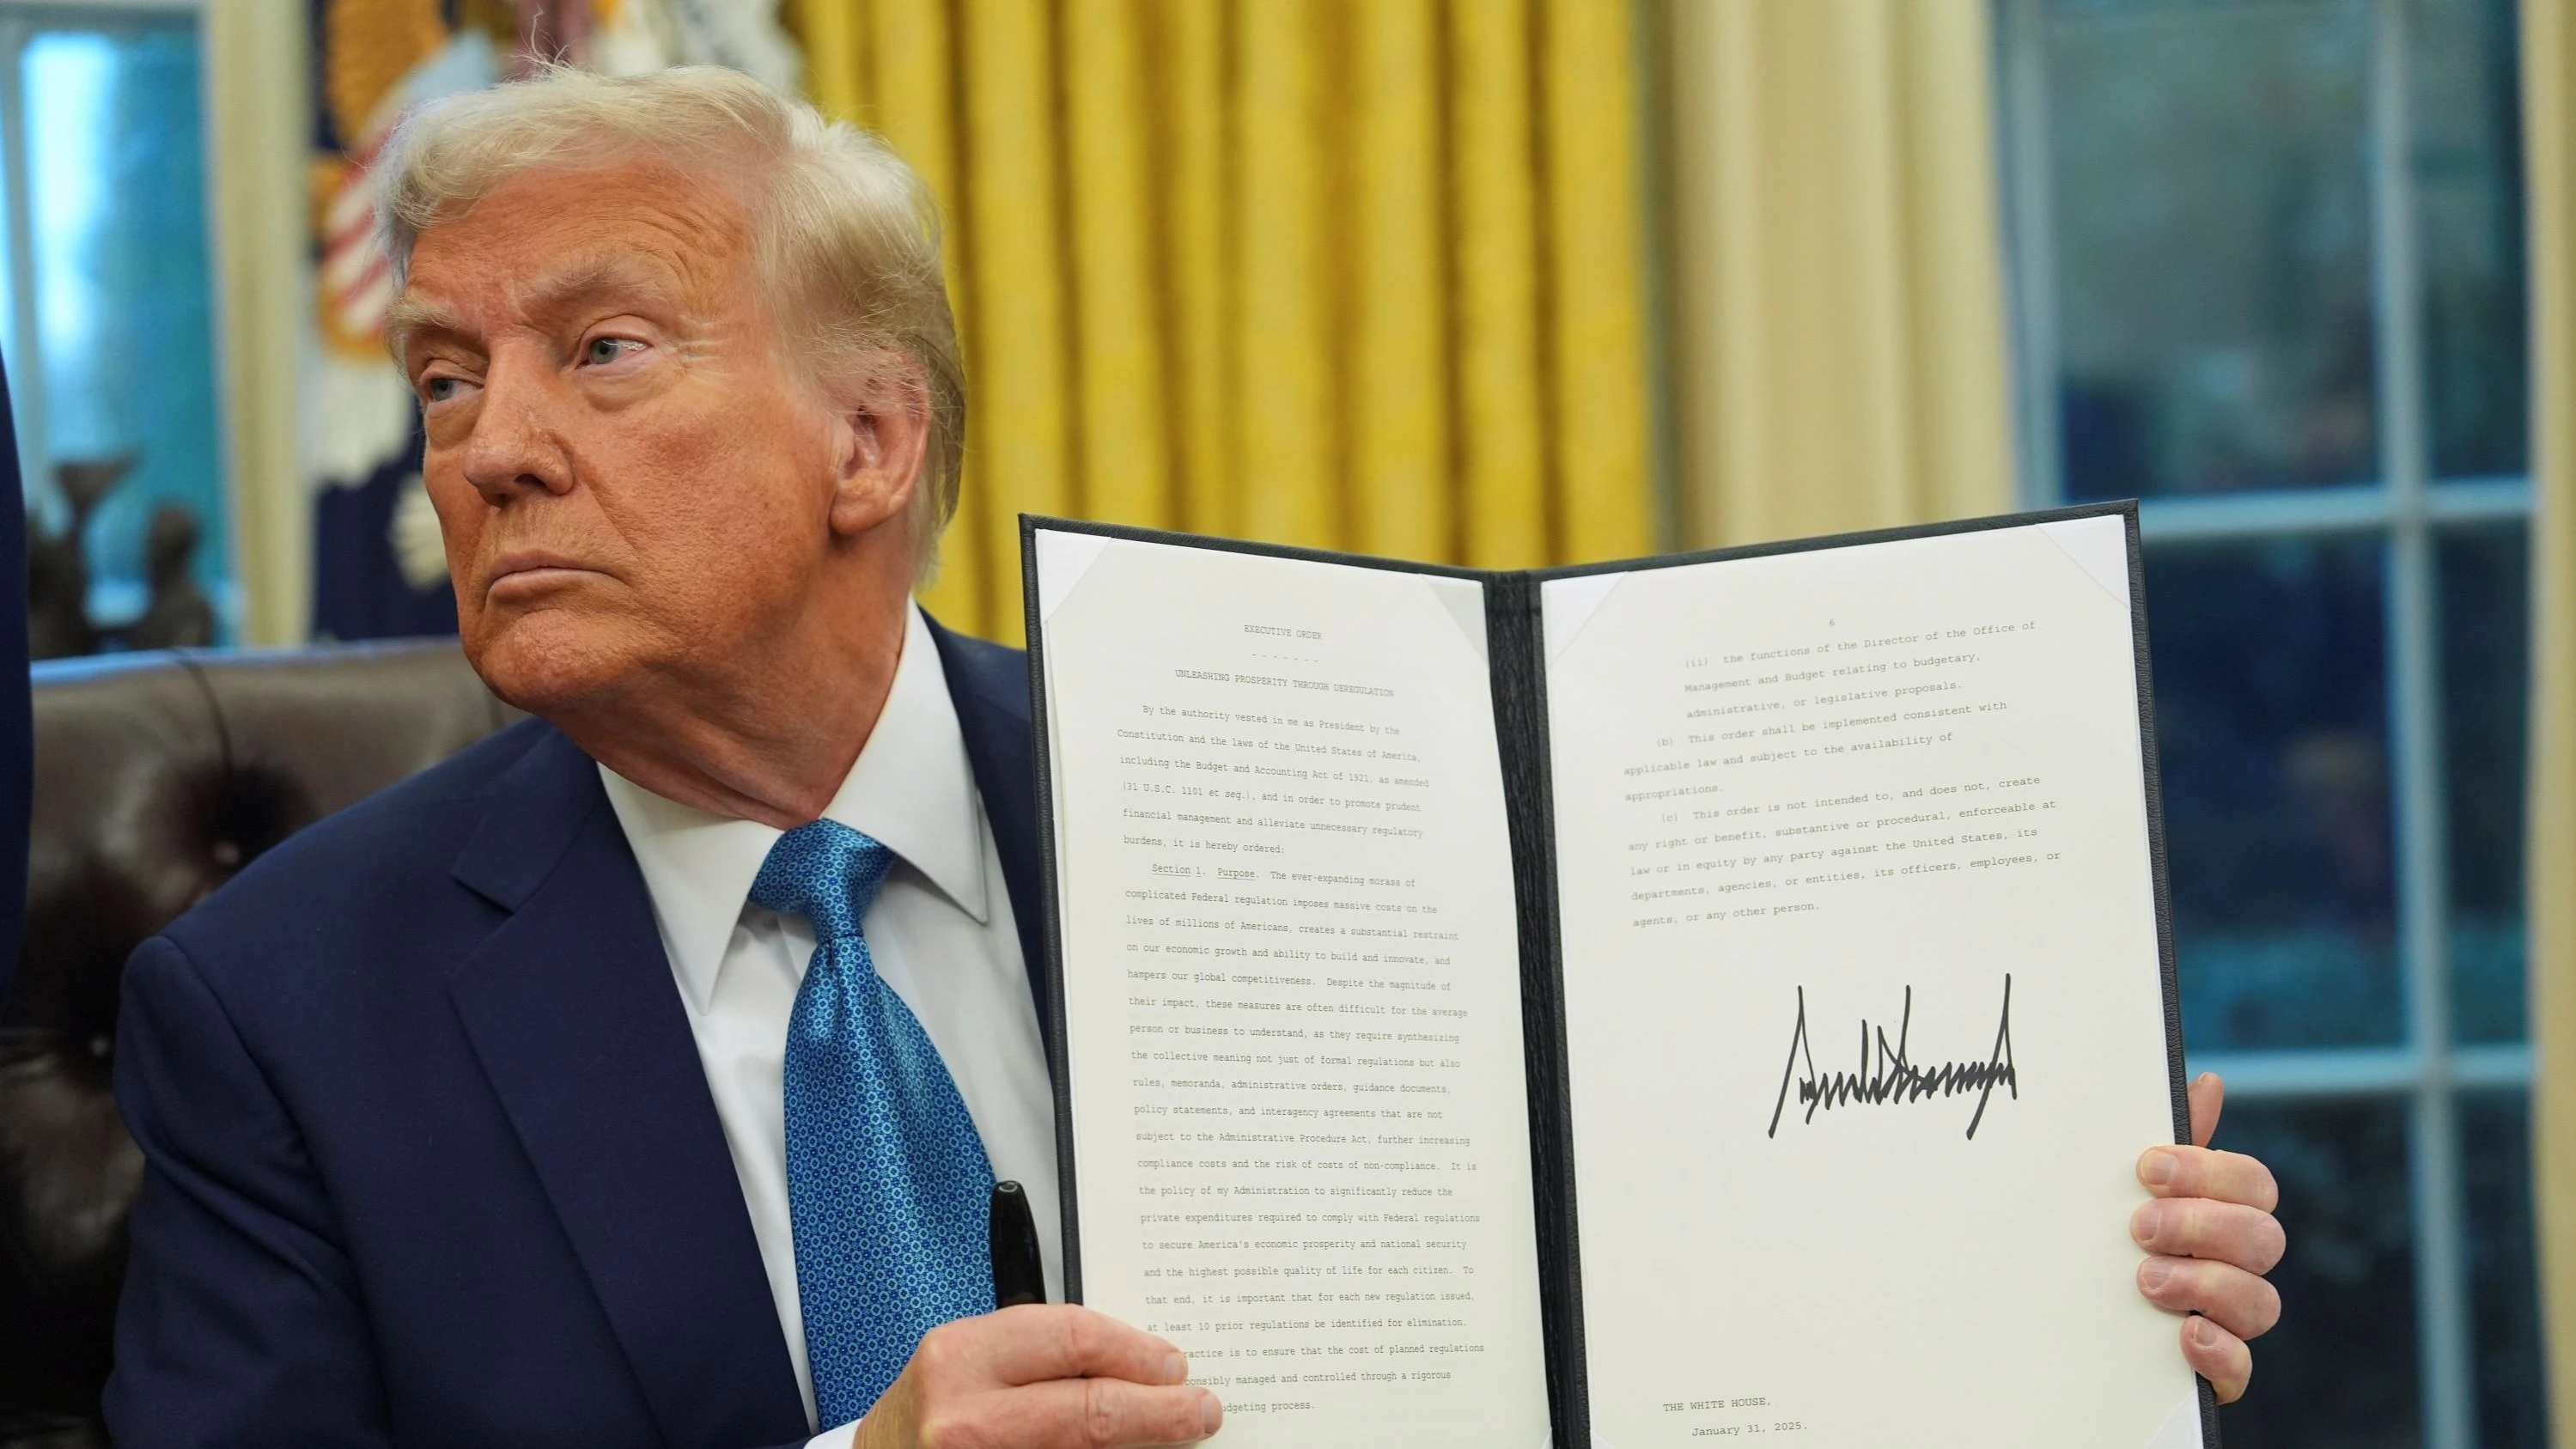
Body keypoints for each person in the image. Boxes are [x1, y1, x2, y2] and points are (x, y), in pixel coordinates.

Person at [103, 66, 2284, 1449]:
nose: (488, 451)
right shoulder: (287, 1009)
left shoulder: (1342, 826)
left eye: (597, 350)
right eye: (451, 373)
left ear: (874, 438)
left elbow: (1652, 1351)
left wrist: (2025, 1282)